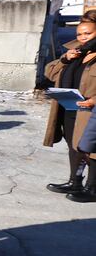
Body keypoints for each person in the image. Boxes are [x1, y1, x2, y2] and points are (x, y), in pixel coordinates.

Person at [43, 20, 96, 202]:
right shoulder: (77, 53)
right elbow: (49, 73)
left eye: (87, 33)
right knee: (74, 147)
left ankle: (93, 189)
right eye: (79, 34)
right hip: (72, 108)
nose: (82, 38)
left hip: (91, 111)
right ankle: (75, 182)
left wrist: (93, 101)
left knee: (91, 149)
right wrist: (65, 59)